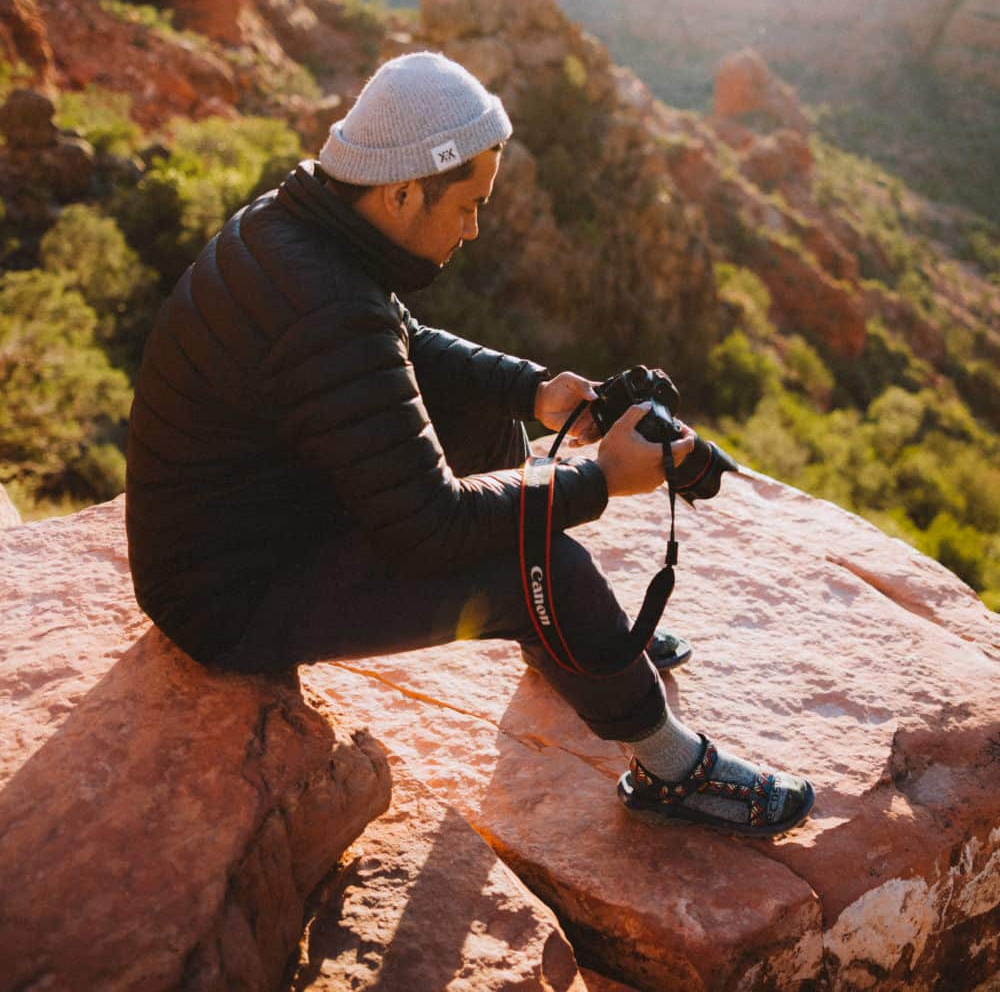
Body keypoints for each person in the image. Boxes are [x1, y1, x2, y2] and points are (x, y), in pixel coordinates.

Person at [126, 50, 814, 837]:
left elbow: (400, 342)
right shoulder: (325, 304)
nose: (474, 228)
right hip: (229, 596)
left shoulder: (300, 227)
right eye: (467, 205)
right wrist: (601, 479)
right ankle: (673, 768)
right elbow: (433, 525)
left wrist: (533, 390)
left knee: (491, 423)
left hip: (251, 516)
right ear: (404, 191)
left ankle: (565, 638)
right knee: (540, 564)